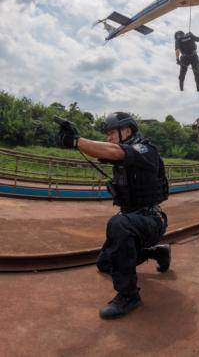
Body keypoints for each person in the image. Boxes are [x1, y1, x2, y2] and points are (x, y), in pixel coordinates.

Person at [56, 112, 170, 320]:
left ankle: (129, 295)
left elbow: (114, 151)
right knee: (105, 264)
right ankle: (156, 252)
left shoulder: (145, 150)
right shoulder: (122, 153)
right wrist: (76, 142)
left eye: (111, 132)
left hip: (150, 220)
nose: (108, 137)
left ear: (127, 131)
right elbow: (103, 150)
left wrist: (76, 140)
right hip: (134, 220)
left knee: (118, 225)